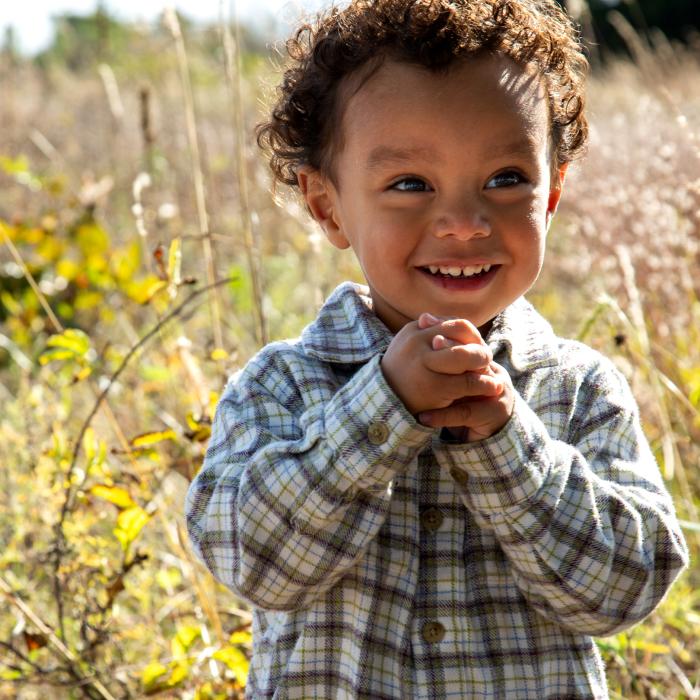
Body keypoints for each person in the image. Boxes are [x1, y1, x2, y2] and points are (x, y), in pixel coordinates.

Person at [185, 1, 689, 697]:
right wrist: (380, 410)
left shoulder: (578, 391)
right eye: (409, 185)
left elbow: (625, 591)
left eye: (506, 179)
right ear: (328, 205)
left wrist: (509, 441)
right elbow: (256, 565)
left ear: (552, 193)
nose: (462, 223)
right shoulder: (281, 386)